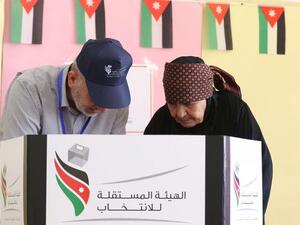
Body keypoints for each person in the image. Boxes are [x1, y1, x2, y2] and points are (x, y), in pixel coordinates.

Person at [144, 56, 272, 220]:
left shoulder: (232, 111)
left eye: (188, 104)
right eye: (172, 103)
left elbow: (259, 166)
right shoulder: (162, 120)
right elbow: (147, 169)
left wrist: (248, 216)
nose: (179, 113)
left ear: (207, 96)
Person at [0, 38, 133, 141]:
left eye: (111, 98)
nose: (104, 109)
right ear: (72, 79)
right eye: (97, 95)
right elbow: (18, 161)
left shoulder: (118, 105)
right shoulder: (29, 89)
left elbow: (115, 160)